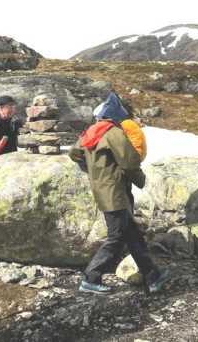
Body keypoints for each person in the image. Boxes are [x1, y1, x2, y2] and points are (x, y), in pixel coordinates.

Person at [69, 92, 170, 295]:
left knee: (132, 234)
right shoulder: (112, 132)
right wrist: (140, 180)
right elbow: (130, 161)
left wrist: (93, 171)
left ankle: (152, 276)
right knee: (116, 237)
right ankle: (90, 277)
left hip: (103, 190)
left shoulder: (92, 131)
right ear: (115, 115)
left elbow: (74, 153)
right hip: (116, 192)